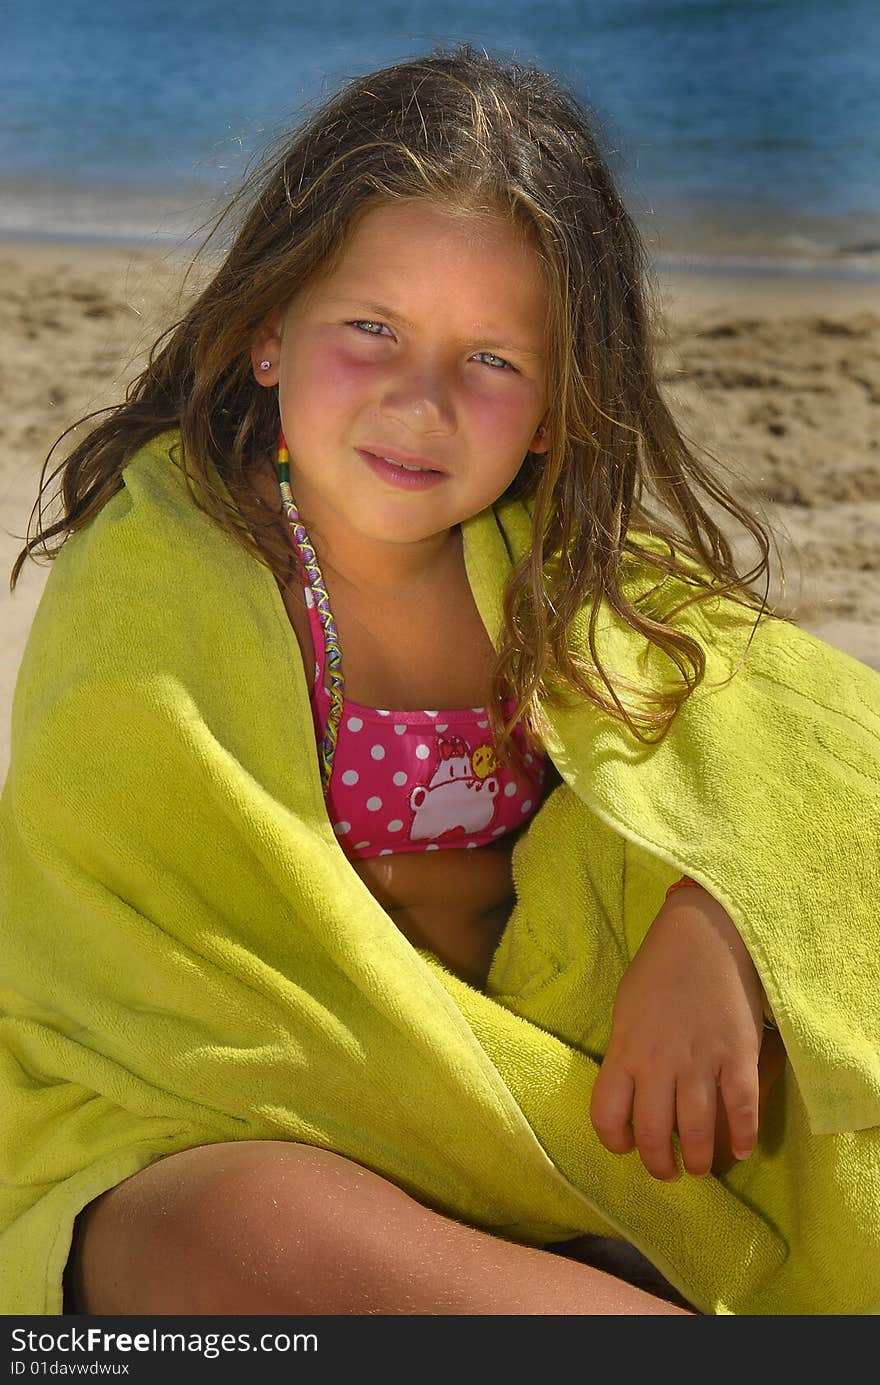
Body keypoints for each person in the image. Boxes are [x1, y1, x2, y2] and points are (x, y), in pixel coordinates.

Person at [4, 44, 877, 1319]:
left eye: (491, 360)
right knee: (240, 1238)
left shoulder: (573, 581)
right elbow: (122, 938)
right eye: (371, 329)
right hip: (234, 1115)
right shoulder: (161, 586)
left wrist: (719, 921)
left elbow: (825, 753)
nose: (421, 401)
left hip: (539, 1123)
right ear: (266, 332)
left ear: (559, 404)